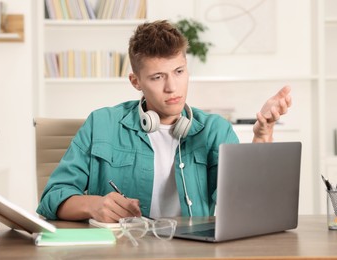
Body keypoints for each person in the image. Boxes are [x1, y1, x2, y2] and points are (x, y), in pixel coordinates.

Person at [36, 20, 291, 223]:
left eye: (179, 72)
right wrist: (93, 205)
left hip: (193, 253)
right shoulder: (101, 123)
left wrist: (262, 134)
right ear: (136, 81)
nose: (172, 87)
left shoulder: (215, 130)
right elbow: (52, 198)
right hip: (121, 251)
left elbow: (250, 205)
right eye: (157, 77)